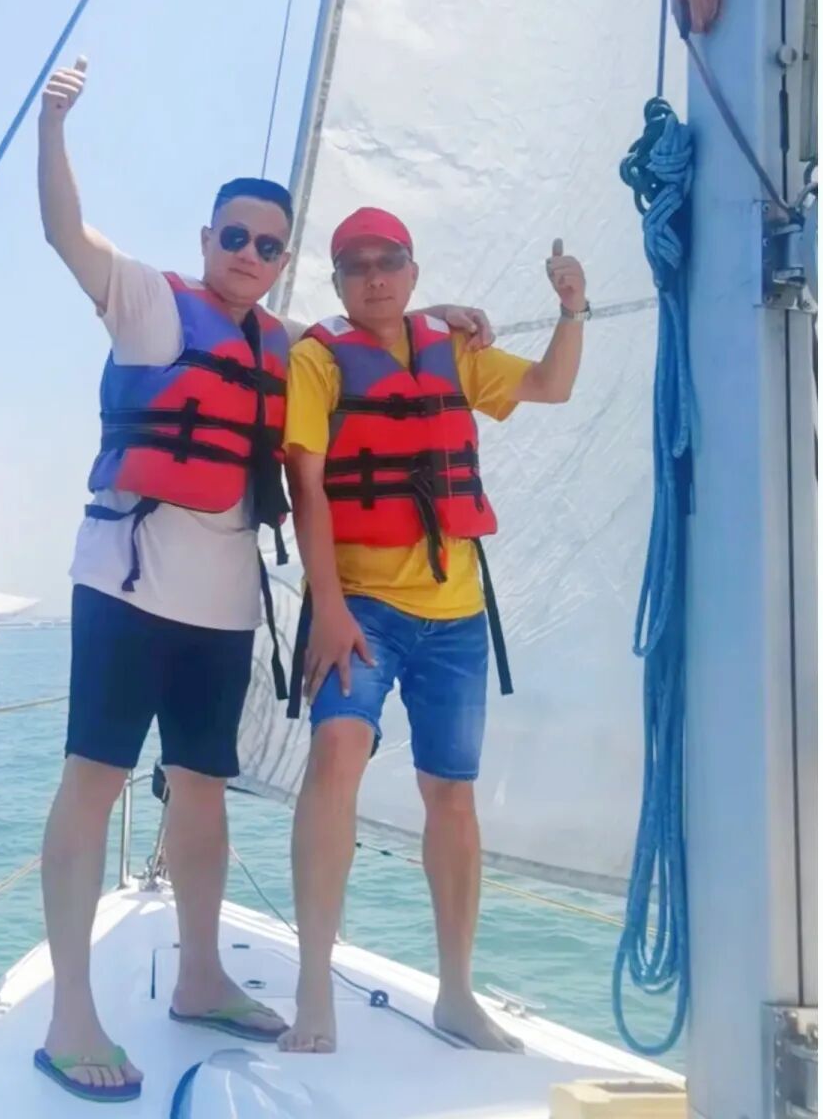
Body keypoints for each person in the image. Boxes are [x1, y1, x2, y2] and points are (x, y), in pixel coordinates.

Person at [33, 61, 496, 1102]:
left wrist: (448, 314)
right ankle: (70, 1016)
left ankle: (201, 976)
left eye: (268, 245)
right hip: (126, 584)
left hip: (223, 606)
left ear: (284, 262)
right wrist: (52, 126)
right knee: (93, 782)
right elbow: (65, 231)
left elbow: (372, 333)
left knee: (204, 788)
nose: (248, 254)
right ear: (208, 240)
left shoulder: (286, 343)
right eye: (234, 237)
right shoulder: (147, 300)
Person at [278, 206, 589, 1056]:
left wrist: (571, 310)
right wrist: (328, 608)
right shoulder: (317, 360)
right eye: (356, 265)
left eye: (389, 261)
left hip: (455, 616)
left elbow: (550, 386)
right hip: (360, 608)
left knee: (451, 793)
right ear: (339, 282)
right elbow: (307, 489)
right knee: (336, 753)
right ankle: (314, 984)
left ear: (413, 272)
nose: (374, 276)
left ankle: (457, 992)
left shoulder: (455, 349)